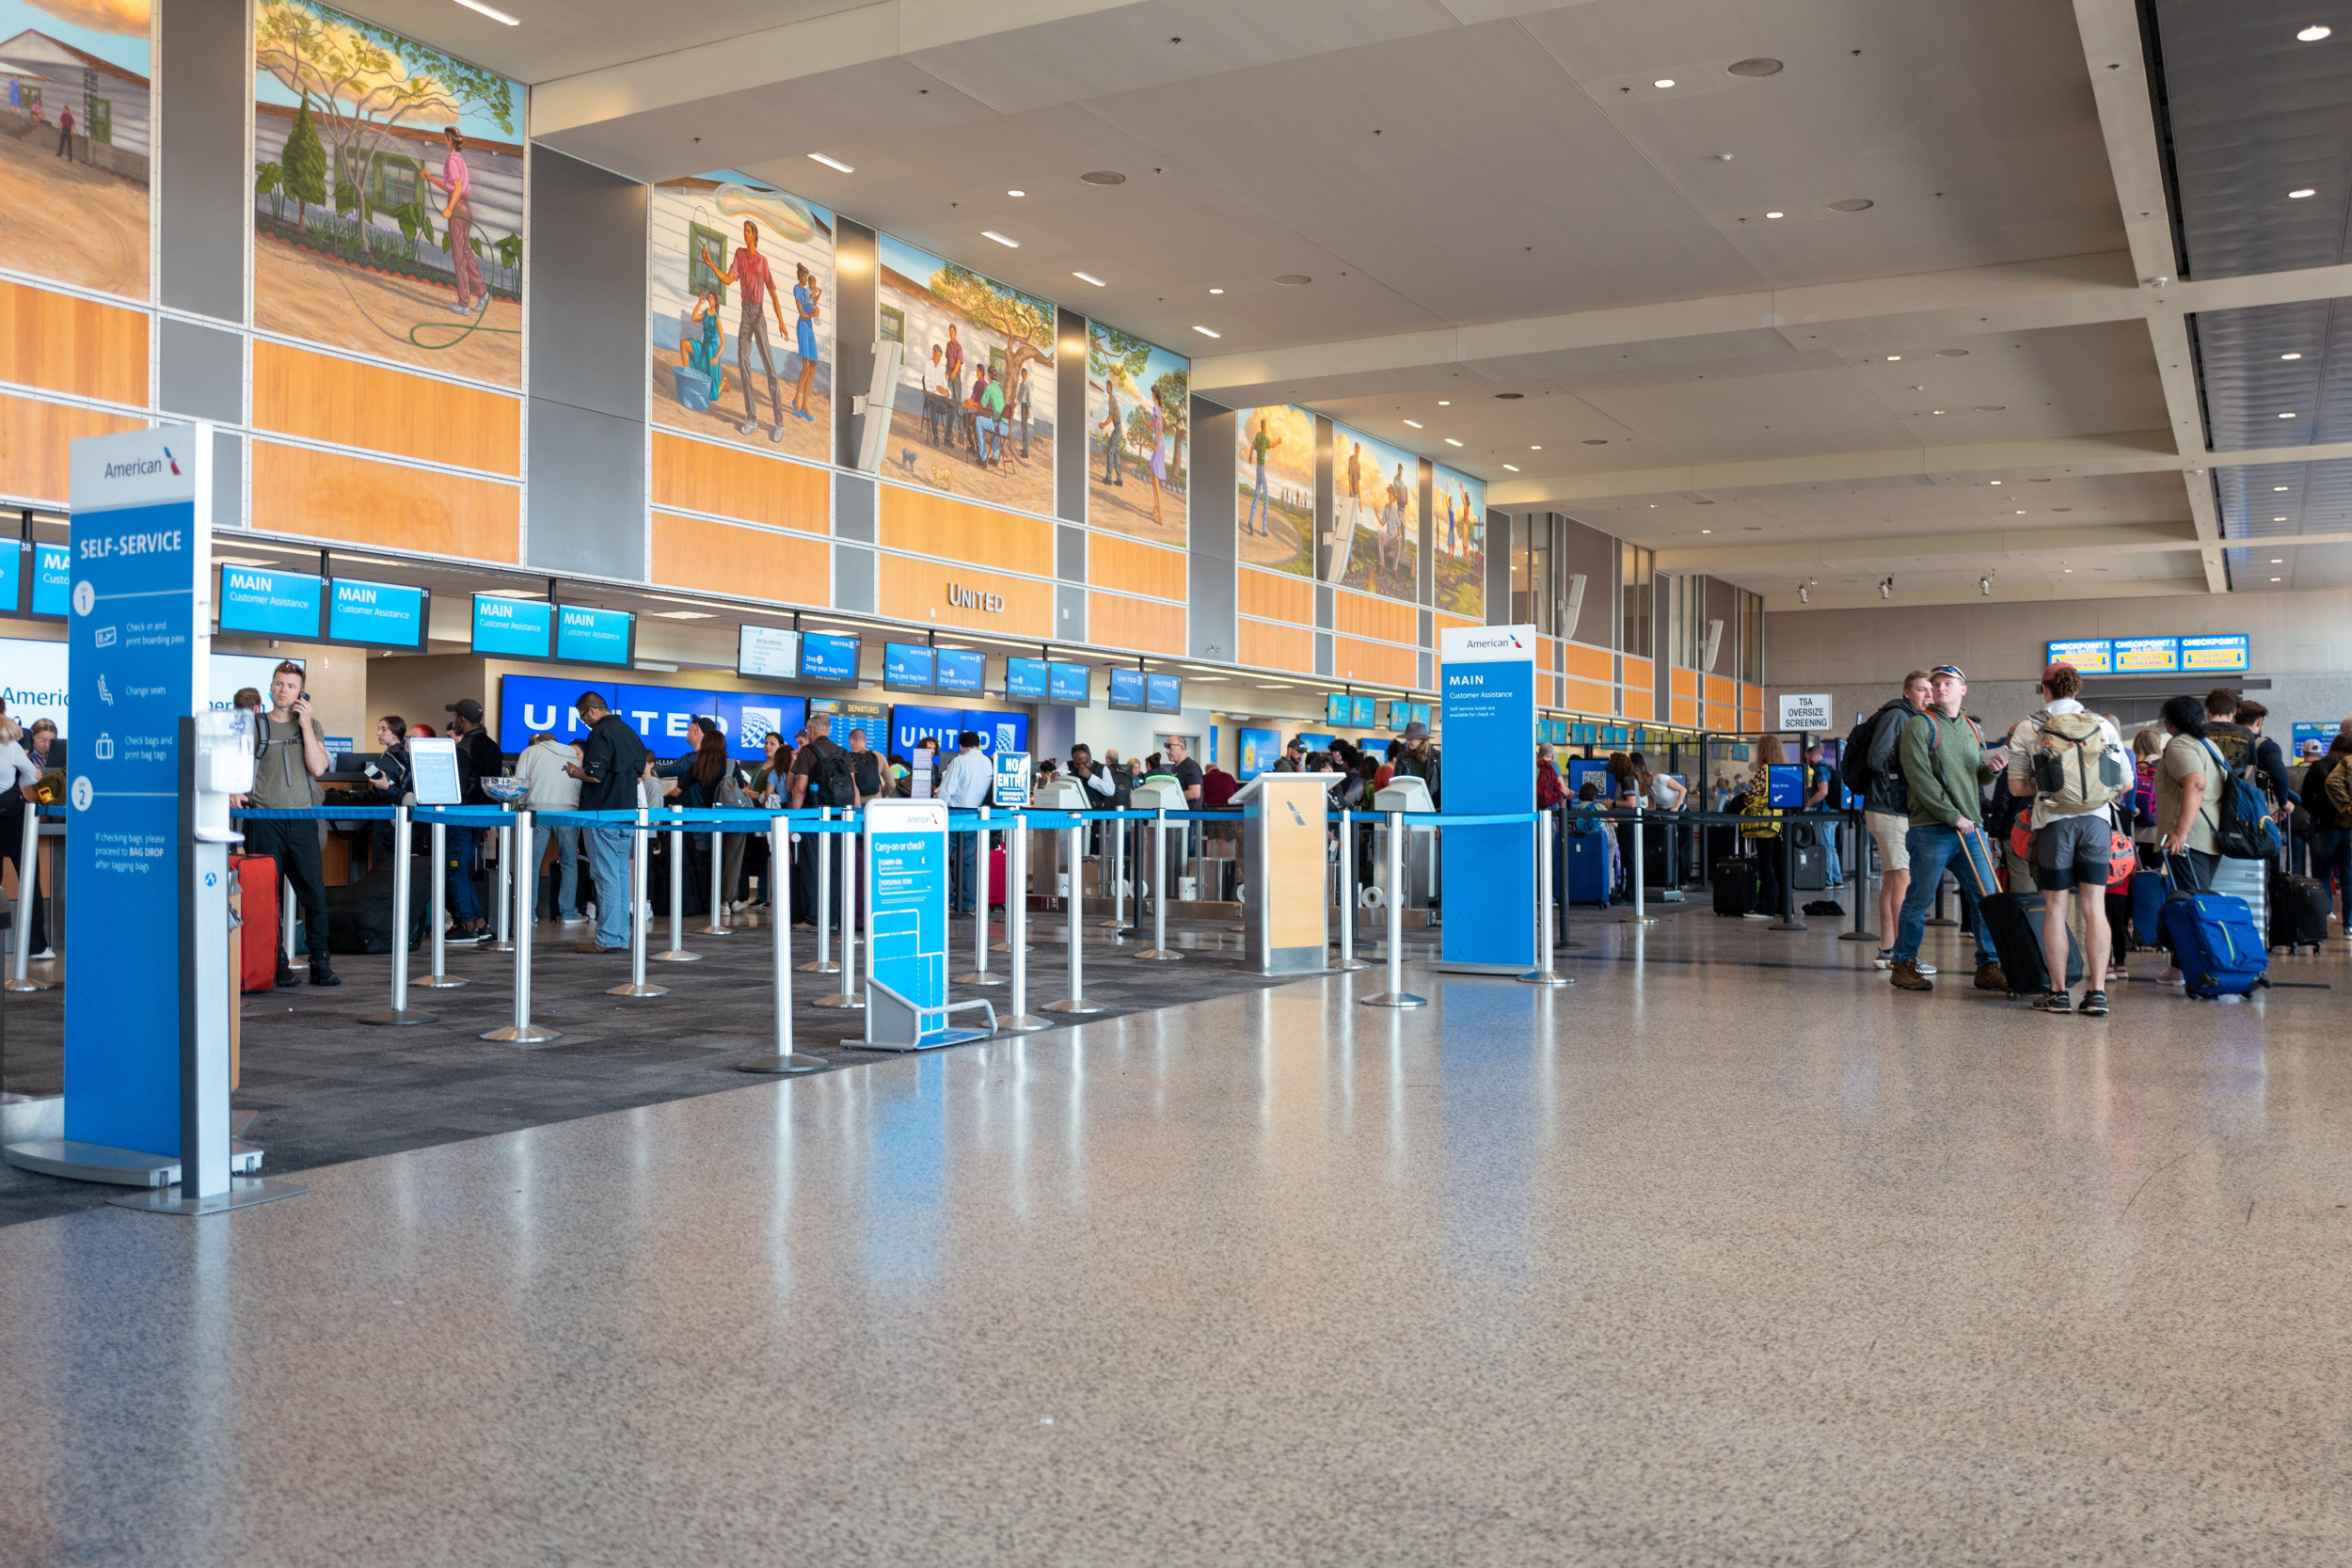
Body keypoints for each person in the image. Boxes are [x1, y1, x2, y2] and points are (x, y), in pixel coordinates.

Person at [2004, 662, 2127, 1016]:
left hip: (2054, 824)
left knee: (2056, 909)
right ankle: (2098, 992)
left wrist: (2046, 787)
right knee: (2094, 906)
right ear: (2077, 689)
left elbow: (2016, 786)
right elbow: (2125, 783)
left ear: (2044, 689)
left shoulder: (2030, 727)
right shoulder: (2103, 726)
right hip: (2097, 824)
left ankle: (2058, 993)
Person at [1887, 665, 2004, 994]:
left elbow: (1975, 776)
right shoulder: (1919, 725)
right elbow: (1920, 779)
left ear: (1963, 689)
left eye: (1947, 684)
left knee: (1987, 898)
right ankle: (1904, 964)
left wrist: (1992, 771)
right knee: (1919, 898)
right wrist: (1953, 816)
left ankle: (1988, 965)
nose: (1939, 688)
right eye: (1935, 684)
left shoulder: (1971, 728)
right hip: (1932, 829)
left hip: (1971, 828)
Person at [244, 661, 341, 988]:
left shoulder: (311, 726)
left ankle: (320, 961)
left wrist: (307, 725)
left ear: (302, 693)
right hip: (263, 819)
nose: (283, 689)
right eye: (278, 684)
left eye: (290, 686)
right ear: (270, 687)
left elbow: (318, 768)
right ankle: (276, 963)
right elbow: (232, 766)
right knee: (266, 897)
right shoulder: (253, 725)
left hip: (301, 820)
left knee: (314, 894)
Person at [2152, 692, 2228, 988]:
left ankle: (2193, 967)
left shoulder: (2180, 744)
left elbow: (2195, 784)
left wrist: (2180, 832)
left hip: (2190, 837)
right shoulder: (2208, 745)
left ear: (2170, 723)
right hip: (2208, 836)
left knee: (2192, 902)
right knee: (2194, 899)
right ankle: (2181, 964)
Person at [567, 692, 649, 954]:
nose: (585, 723)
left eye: (583, 717)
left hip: (602, 814)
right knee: (621, 876)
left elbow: (595, 776)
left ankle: (607, 939)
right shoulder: (629, 732)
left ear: (591, 711)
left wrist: (573, 771)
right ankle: (620, 936)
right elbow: (639, 775)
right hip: (626, 813)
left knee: (605, 877)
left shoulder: (599, 733)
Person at [1861, 672, 1932, 971]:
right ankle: (1905, 955)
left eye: (1931, 690)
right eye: (1921, 690)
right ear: (1907, 692)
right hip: (1888, 808)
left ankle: (1888, 950)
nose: (1928, 695)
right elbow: (1876, 759)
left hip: (1886, 807)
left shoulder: (1906, 717)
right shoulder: (1898, 716)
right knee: (1903, 878)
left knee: (1892, 880)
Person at [701, 219, 787, 442]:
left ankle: (779, 422)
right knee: (743, 362)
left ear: (754, 235)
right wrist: (710, 263)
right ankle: (752, 419)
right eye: (744, 230)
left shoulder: (762, 261)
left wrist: (781, 321)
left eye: (748, 231)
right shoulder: (739, 254)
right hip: (745, 313)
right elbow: (729, 280)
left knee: (770, 367)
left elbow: (774, 293)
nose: (744, 233)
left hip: (758, 315)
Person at [444, 698, 504, 943]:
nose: (453, 721)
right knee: (462, 869)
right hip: (484, 815)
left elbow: (459, 785)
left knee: (455, 870)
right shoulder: (493, 746)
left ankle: (467, 925)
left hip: (462, 815)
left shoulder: (464, 748)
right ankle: (480, 922)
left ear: (463, 720)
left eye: (455, 716)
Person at [514, 730, 585, 924]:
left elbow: (519, 783)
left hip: (537, 811)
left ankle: (528, 913)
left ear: (539, 742)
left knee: (531, 864)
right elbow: (579, 782)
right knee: (569, 863)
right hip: (568, 812)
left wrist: (520, 804)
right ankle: (568, 913)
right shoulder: (571, 753)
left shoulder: (530, 752)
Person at [0, 715, 49, 962]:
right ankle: (37, 946)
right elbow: (33, 776)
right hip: (15, 818)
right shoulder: (11, 747)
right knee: (29, 880)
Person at [421, 127, 485, 316]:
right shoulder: (460, 160)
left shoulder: (451, 160)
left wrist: (449, 208)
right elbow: (452, 187)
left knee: (458, 256)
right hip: (466, 207)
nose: (445, 141)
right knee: (465, 252)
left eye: (445, 139)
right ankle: (482, 293)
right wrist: (431, 178)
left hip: (457, 208)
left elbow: (456, 189)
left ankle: (464, 304)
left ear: (449, 140)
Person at [2300, 732, 2352, 931]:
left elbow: (2304, 797)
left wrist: (2319, 813)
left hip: (2323, 827)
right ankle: (2349, 924)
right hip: (2348, 828)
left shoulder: (2318, 767)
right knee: (2348, 877)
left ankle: (2325, 915)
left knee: (2322, 874)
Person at [350, 716, 414, 863]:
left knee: (383, 860)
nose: (378, 733)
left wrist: (356, 799)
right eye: (378, 728)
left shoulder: (390, 756)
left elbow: (381, 790)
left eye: (384, 729)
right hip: (401, 812)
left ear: (396, 733)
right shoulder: (405, 753)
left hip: (386, 815)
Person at [1800, 739, 1843, 889]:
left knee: (1824, 847)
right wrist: (1809, 790)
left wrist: (1808, 804)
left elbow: (1823, 791)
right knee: (1831, 847)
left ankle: (1827, 880)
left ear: (1812, 755)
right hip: (1833, 812)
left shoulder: (1819, 769)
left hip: (1824, 814)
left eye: (1806, 758)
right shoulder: (1828, 767)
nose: (1806, 761)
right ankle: (1837, 880)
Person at [679, 287, 726, 404]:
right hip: (704, 346)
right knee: (684, 344)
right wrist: (699, 303)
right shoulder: (706, 313)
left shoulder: (717, 319)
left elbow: (723, 343)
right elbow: (694, 318)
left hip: (712, 351)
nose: (710, 300)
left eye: (712, 298)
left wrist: (716, 357)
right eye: (709, 298)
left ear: (716, 301)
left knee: (712, 396)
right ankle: (687, 376)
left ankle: (724, 383)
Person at [789, 263, 821, 422]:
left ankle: (805, 404)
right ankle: (796, 400)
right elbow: (802, 313)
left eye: (806, 276)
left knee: (813, 366)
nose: (804, 278)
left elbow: (813, 303)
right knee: (806, 366)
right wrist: (813, 316)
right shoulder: (797, 289)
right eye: (803, 276)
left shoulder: (808, 290)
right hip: (803, 325)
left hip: (809, 328)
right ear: (799, 276)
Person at [1244, 411, 1282, 536]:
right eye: (1267, 427)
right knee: (1265, 498)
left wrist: (1250, 456)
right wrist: (1279, 441)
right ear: (1265, 427)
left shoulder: (1258, 436)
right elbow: (1272, 444)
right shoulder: (1264, 439)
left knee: (1256, 496)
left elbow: (1252, 447)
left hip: (1257, 469)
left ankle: (1250, 521)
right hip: (1261, 469)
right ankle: (1264, 529)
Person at [1391, 721, 1440, 806]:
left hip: (1432, 808)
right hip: (1409, 807)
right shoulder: (1402, 758)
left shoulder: (1437, 757)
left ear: (1421, 739)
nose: (1407, 741)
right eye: (1407, 739)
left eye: (1411, 739)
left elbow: (1442, 787)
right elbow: (1397, 785)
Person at [1017, 366, 1033, 459]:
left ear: (1026, 375)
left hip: (1026, 406)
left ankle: (1026, 452)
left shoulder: (1027, 386)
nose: (1023, 377)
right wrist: (1017, 401)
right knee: (1022, 427)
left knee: (1025, 428)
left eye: (1024, 375)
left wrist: (1029, 411)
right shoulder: (1021, 384)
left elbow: (1029, 399)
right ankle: (1024, 448)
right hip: (1022, 405)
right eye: (1021, 375)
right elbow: (1019, 395)